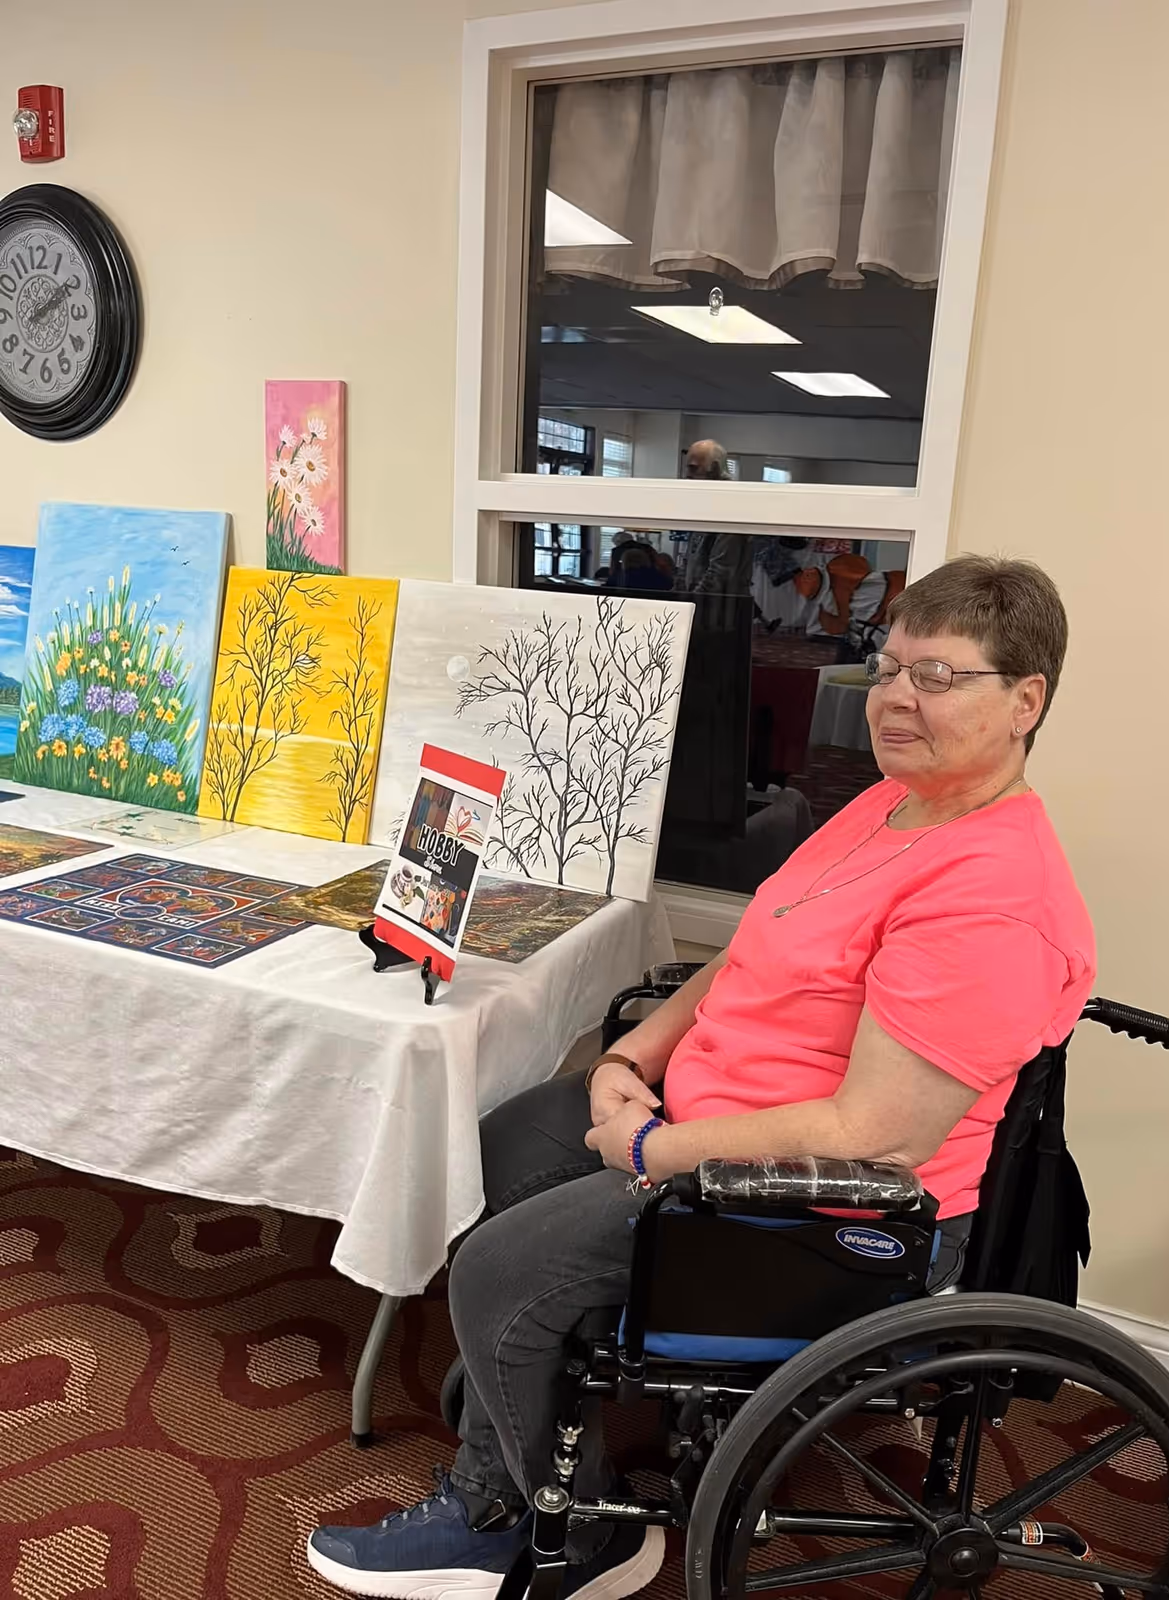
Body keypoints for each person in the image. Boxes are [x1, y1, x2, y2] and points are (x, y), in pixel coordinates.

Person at [308, 556, 1097, 1600]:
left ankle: (529, 1521)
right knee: (504, 1142)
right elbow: (748, 953)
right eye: (890, 663)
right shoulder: (891, 806)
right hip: (716, 1119)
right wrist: (630, 1061)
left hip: (830, 1213)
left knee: (498, 1269)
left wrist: (651, 1147)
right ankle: (543, 1421)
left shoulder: (992, 894)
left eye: (940, 675)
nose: (898, 696)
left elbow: (877, 1131)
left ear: (1025, 699)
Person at [681, 441, 754, 597]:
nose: (687, 475)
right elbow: (688, 560)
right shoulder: (708, 502)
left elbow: (720, 572)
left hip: (719, 610)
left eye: (693, 468)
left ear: (713, 468)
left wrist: (688, 605)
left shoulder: (731, 505)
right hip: (702, 603)